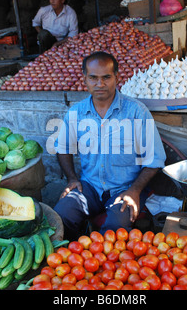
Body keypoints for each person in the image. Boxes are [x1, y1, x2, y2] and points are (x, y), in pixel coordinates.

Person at [52, 52, 167, 241]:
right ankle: (73, 260)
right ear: (85, 79)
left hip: (125, 187)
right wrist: (72, 178)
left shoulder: (136, 112)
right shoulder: (76, 113)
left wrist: (135, 190)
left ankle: (108, 268)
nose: (100, 84)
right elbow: (63, 148)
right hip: (89, 186)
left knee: (116, 229)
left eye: (106, 77)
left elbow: (155, 159)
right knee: (61, 215)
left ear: (117, 78)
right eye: (93, 78)